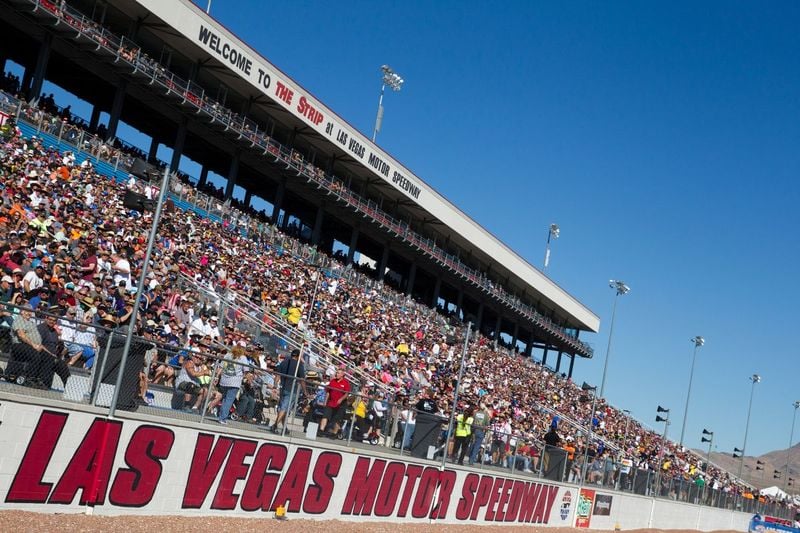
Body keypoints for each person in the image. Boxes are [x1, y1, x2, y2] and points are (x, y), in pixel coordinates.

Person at [269, 348, 306, 434]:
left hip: (283, 388)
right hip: (291, 390)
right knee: (284, 408)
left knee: (284, 408)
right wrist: (305, 391)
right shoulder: (298, 365)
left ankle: (284, 427)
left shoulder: (284, 362)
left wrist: (275, 386)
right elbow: (302, 380)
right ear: (298, 356)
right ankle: (275, 425)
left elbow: (277, 376)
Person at [217, 346, 248, 425]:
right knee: (229, 400)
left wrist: (217, 376)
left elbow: (220, 367)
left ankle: (220, 416)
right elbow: (246, 370)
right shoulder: (243, 357)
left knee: (224, 400)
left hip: (224, 380)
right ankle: (222, 418)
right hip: (234, 382)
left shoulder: (227, 355)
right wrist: (242, 378)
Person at [319, 367, 351, 437]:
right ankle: (321, 430)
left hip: (340, 404)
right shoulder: (333, 381)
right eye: (336, 372)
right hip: (331, 402)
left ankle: (335, 433)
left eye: (338, 373)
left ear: (342, 375)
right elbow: (328, 392)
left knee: (338, 419)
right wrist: (325, 401)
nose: (337, 374)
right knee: (325, 415)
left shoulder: (346, 383)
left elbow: (346, 393)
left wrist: (341, 399)